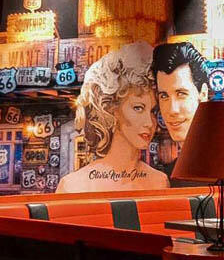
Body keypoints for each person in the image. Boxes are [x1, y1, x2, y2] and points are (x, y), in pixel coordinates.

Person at [57, 42, 168, 193]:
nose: (150, 123)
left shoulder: (159, 181)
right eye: (138, 108)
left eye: (153, 111)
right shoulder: (73, 186)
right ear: (111, 109)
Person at [151, 42, 209, 179]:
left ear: (203, 94)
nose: (172, 110)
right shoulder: (170, 175)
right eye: (164, 96)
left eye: (181, 94)